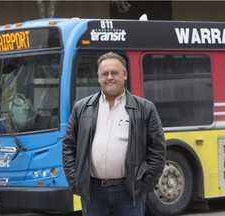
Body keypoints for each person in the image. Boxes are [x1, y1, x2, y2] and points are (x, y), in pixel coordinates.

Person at [62, 52, 166, 216]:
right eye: (105, 74)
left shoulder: (145, 109)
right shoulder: (81, 108)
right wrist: (76, 182)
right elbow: (69, 147)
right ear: (98, 78)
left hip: (129, 193)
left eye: (114, 73)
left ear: (124, 75)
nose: (109, 77)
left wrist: (143, 185)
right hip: (93, 193)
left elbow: (158, 150)